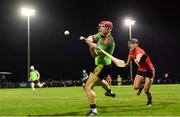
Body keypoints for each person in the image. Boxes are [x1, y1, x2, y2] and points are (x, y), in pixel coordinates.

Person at [98, 38, 155, 107]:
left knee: (146, 90)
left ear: (137, 44)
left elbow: (139, 56)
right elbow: (130, 56)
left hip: (149, 70)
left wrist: (137, 59)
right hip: (141, 70)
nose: (130, 45)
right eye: (129, 43)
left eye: (132, 44)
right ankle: (141, 87)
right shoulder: (131, 51)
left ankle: (149, 101)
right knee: (135, 87)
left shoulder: (139, 52)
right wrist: (126, 64)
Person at [84, 20, 116, 116]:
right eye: (100, 26)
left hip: (102, 66)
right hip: (104, 65)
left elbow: (94, 55)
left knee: (88, 87)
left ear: (108, 29)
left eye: (102, 27)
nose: (100, 28)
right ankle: (109, 91)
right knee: (99, 81)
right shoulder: (101, 34)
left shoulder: (107, 40)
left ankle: (93, 110)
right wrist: (90, 42)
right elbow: (92, 37)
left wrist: (91, 47)